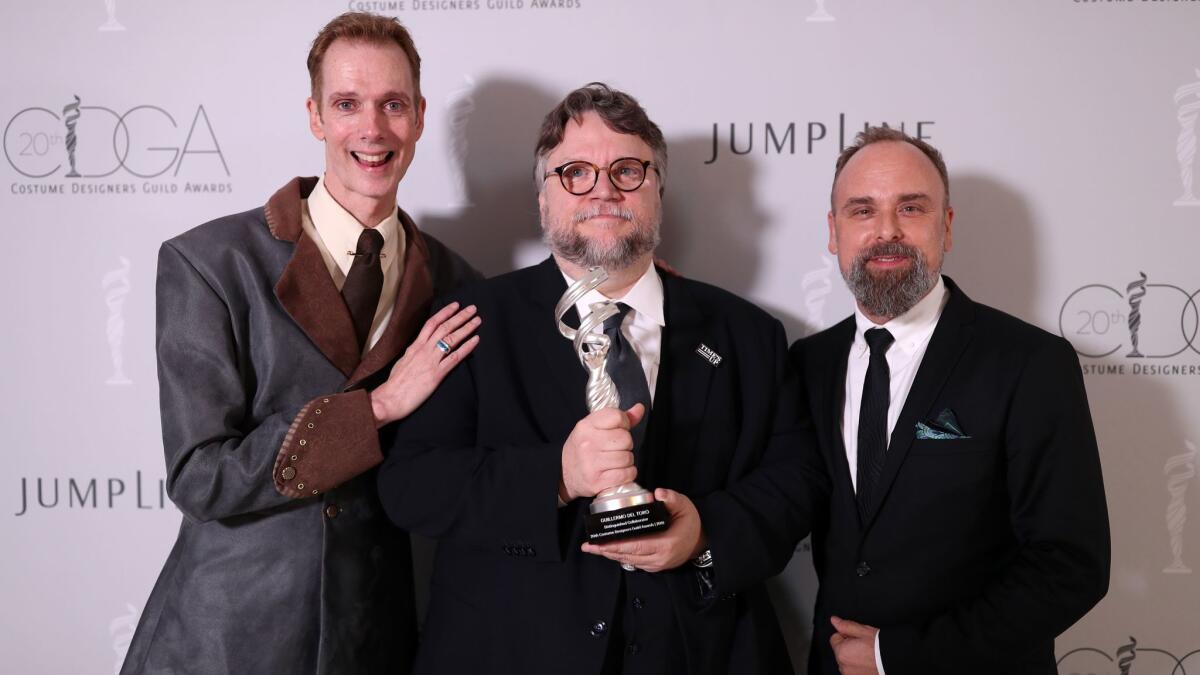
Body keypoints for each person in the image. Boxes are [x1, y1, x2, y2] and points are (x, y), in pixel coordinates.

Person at [377, 82, 825, 675]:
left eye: (627, 170)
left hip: (701, 650)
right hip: (509, 652)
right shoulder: (471, 324)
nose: (603, 191)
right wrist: (556, 476)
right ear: (543, 199)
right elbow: (412, 486)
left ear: (658, 190)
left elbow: (797, 483)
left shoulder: (748, 334)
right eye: (575, 173)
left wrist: (704, 537)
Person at [121, 13, 480, 674]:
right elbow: (200, 474)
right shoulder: (210, 263)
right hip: (230, 640)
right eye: (347, 104)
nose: (371, 129)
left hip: (380, 639)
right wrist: (374, 408)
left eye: (392, 104)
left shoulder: (459, 284)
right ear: (316, 116)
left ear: (421, 116)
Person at [790, 126, 1110, 674]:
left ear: (947, 225)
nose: (885, 230)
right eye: (861, 210)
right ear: (833, 230)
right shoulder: (806, 364)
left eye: (910, 208)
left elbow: (1070, 563)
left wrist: (898, 656)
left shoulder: (1030, 363)